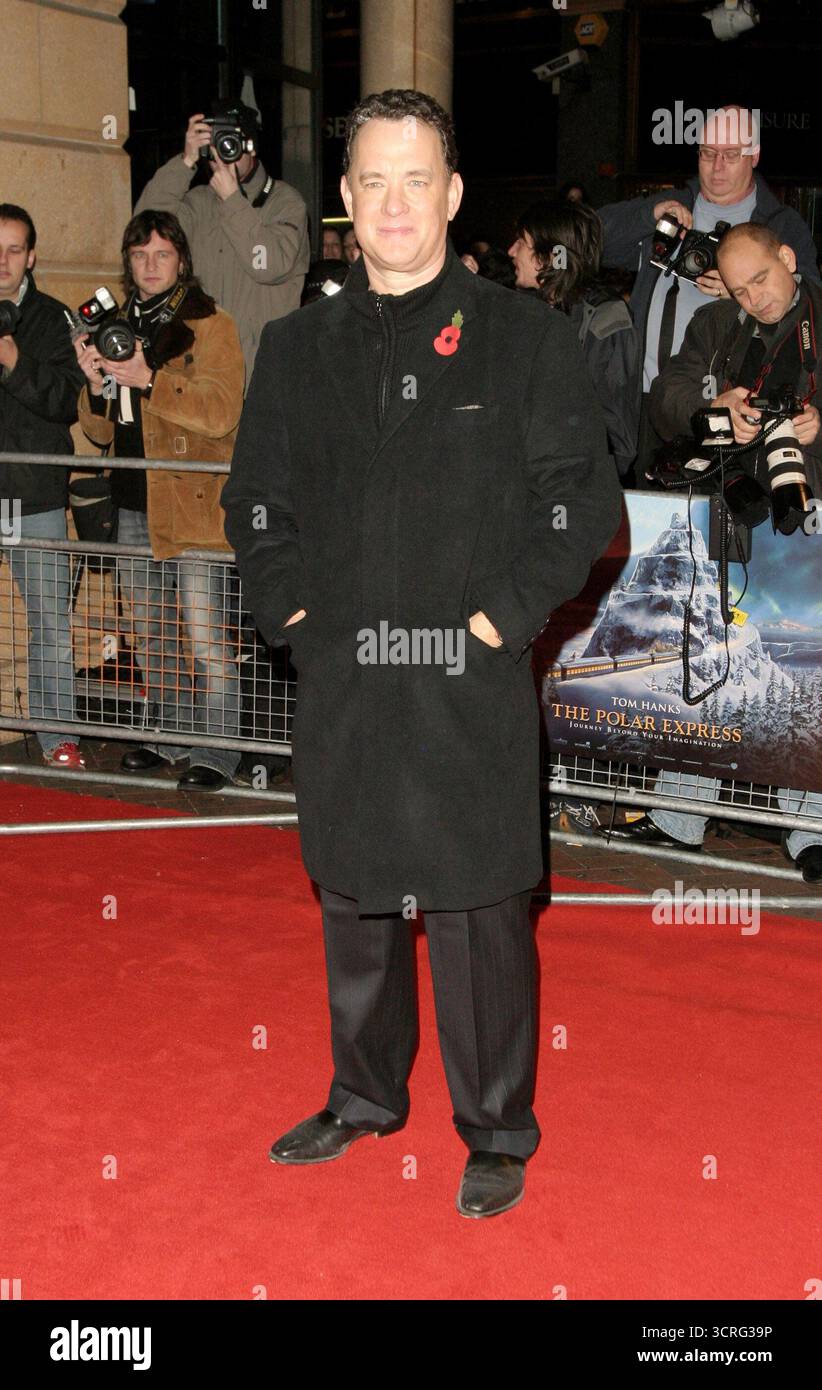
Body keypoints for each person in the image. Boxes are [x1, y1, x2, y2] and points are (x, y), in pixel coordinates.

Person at [222, 88, 622, 1219]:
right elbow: (255, 504)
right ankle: (363, 1095)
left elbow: (581, 504)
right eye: (373, 181)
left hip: (466, 682)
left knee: (476, 914)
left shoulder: (527, 336)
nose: (396, 203)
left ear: (451, 193)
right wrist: (295, 622)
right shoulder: (295, 347)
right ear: (346, 201)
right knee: (354, 902)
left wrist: (497, 621)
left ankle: (496, 1126)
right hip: (345, 679)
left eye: (418, 179)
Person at [606, 223, 822, 884]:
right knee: (702, 657)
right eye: (737, 288)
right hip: (725, 512)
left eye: (761, 279)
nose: (752, 297)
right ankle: (680, 814)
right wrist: (713, 404)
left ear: (787, 259)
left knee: (803, 669)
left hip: (807, 518)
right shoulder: (715, 326)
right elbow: (665, 398)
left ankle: (808, 827)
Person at [75, 210, 245, 791]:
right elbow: (100, 432)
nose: (150, 266)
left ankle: (220, 749)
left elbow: (223, 412)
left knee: (205, 633)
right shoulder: (115, 324)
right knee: (151, 631)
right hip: (132, 500)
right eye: (139, 255)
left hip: (194, 502)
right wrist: (97, 383)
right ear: (127, 262)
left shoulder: (210, 324)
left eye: (162, 255)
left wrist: (150, 378)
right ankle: (168, 734)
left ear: (181, 262)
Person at [598, 105, 820, 485]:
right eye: (707, 153)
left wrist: (738, 296)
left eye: (731, 155)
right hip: (656, 395)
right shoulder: (672, 210)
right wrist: (649, 214)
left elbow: (806, 304)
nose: (717, 167)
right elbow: (588, 241)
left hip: (740, 405)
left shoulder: (780, 224)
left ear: (754, 156)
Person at [135, 99, 310, 380]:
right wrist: (185, 161)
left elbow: (268, 265)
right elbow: (144, 232)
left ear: (251, 147)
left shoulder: (285, 202)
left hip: (261, 372)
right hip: (203, 368)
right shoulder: (199, 202)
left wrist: (232, 200)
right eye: (217, 143)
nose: (225, 152)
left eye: (233, 142)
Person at [0, 203, 86, 768]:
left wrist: (12, 360)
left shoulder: (53, 320)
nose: (2, 261)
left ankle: (56, 740)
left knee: (51, 625)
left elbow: (65, 403)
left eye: (13, 249)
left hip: (33, 494)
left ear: (31, 255)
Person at [508, 199, 640, 477]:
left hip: (575, 490)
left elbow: (618, 441)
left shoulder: (605, 319)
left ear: (549, 255)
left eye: (521, 242)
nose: (511, 251)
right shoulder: (520, 312)